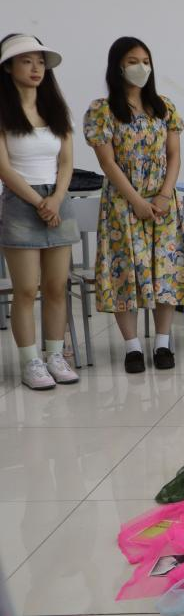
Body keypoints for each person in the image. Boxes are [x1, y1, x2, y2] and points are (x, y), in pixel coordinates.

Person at [84, 36, 184, 372]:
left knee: (165, 271)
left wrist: (163, 195)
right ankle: (132, 347)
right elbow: (107, 163)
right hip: (122, 203)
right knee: (125, 271)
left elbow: (174, 156)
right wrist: (135, 201)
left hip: (163, 202)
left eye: (146, 61)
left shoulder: (164, 107)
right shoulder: (102, 110)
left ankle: (163, 342)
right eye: (133, 61)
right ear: (118, 66)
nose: (141, 68)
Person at [0, 34, 78, 389]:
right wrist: (38, 202)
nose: (36, 68)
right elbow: (4, 168)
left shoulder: (56, 109)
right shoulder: (3, 111)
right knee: (26, 289)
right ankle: (30, 362)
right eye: (27, 61)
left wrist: (57, 198)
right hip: (20, 203)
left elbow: (66, 161)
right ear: (8, 67)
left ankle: (55, 355)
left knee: (56, 286)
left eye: (40, 62)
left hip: (58, 201)